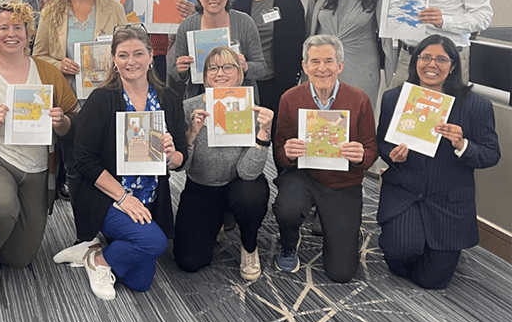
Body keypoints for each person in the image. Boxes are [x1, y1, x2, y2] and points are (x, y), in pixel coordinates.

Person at [0, 2, 78, 299]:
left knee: (21, 258)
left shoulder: (48, 73)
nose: (11, 34)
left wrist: (61, 123)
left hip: (37, 165)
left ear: (29, 33)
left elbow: (75, 121)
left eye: (18, 27)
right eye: (3, 28)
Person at [55, 26, 187, 301]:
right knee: (155, 243)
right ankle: (99, 260)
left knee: (139, 282)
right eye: (123, 55)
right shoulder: (102, 99)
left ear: (151, 56)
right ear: (113, 60)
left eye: (139, 53)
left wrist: (171, 156)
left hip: (150, 197)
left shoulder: (169, 99)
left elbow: (180, 159)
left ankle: (91, 249)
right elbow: (84, 161)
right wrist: (123, 198)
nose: (132, 62)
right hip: (107, 196)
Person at [377, 35, 500, 289]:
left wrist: (462, 145)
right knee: (399, 256)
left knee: (433, 280)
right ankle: (408, 239)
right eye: (425, 57)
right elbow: (382, 143)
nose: (432, 64)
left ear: (453, 66)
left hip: (448, 201)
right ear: (416, 61)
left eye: (441, 59)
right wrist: (392, 155)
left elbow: (490, 154)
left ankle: (434, 249)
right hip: (405, 192)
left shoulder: (476, 106)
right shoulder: (394, 99)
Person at [272, 34, 378, 283]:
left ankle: (350, 233)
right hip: (302, 177)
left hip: (343, 182)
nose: (322, 68)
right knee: (287, 208)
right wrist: (287, 153)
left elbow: (371, 151)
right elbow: (279, 151)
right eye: (315, 62)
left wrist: (362, 156)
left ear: (340, 66)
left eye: (329, 61)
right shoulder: (290, 98)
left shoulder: (359, 99)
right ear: (305, 66)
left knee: (340, 273)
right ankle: (288, 243)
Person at [33, 0, 126, 200]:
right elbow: (38, 55)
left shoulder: (113, 8)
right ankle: (83, 229)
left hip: (106, 100)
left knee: (108, 165)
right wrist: (59, 64)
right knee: (76, 167)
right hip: (70, 103)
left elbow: (127, 50)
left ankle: (110, 221)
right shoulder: (51, 12)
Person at [173, 46, 272, 280]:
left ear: (239, 73)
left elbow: (249, 173)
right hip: (202, 185)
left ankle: (249, 245)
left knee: (250, 195)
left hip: (239, 184)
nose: (221, 73)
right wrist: (191, 135)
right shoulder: (189, 107)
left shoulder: (252, 108)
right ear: (205, 74)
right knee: (189, 261)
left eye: (228, 66)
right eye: (213, 67)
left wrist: (263, 133)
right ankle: (217, 221)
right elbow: (180, 167)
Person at [231, 0, 305, 121]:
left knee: (275, 129)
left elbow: (299, 39)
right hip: (245, 79)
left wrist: (295, 75)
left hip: (278, 80)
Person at [168, 0, 267, 100]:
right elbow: (176, 73)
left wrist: (246, 67)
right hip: (199, 97)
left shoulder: (245, 22)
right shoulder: (187, 26)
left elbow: (262, 68)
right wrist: (181, 70)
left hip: (240, 99)